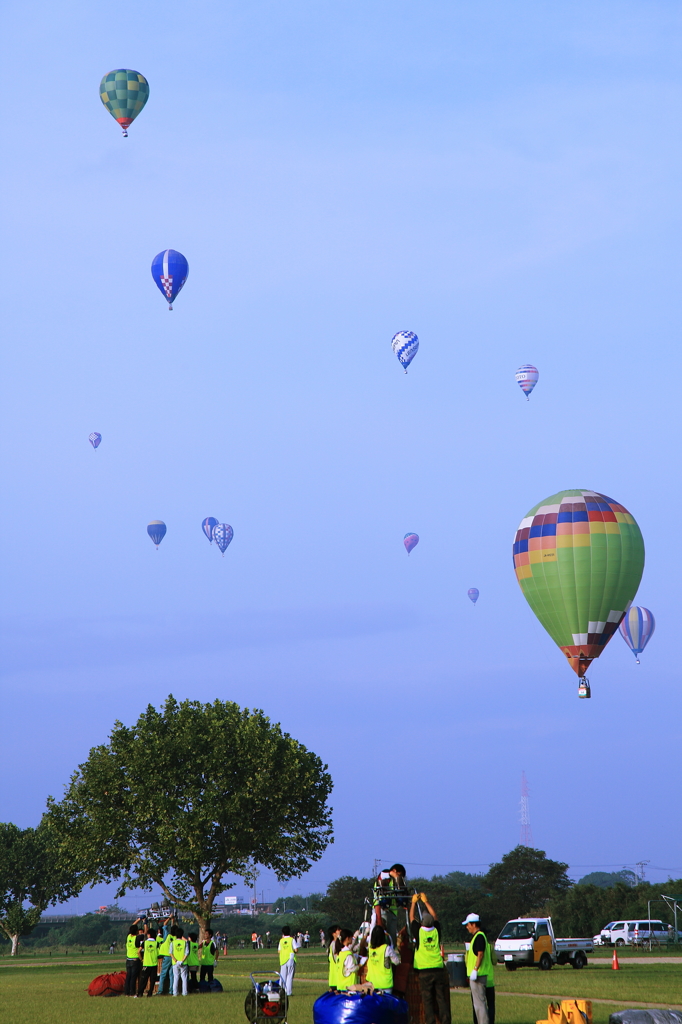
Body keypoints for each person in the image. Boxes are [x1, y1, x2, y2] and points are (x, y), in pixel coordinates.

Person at [410, 893, 451, 1024]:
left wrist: (413, 903)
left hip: (424, 970)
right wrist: (426, 902)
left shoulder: (419, 931)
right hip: (438, 968)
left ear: (422, 923)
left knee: (427, 1000)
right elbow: (435, 916)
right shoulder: (436, 931)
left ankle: (430, 1022)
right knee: (441, 998)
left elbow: (411, 918)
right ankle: (445, 1021)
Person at [463, 913, 494, 1024]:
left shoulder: (479, 936)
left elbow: (480, 954)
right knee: (479, 1004)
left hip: (478, 975)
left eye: (468, 924)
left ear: (474, 924)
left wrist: (475, 969)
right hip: (479, 974)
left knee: (479, 1005)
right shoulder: (479, 936)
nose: (467, 927)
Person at [361, 924, 401, 994]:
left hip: (372, 983)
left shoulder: (370, 948)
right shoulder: (386, 948)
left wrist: (365, 934)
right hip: (385, 984)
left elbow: (362, 944)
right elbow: (397, 962)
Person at [155, 915, 175, 995]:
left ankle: (160, 991)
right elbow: (172, 927)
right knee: (171, 975)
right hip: (173, 957)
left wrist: (169, 918)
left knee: (162, 975)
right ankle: (171, 991)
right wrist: (173, 920)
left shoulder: (166, 935)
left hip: (166, 957)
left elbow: (165, 924)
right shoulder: (175, 937)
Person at [278, 925, 300, 996]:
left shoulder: (281, 940)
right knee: (289, 976)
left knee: (282, 976)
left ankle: (281, 991)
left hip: (283, 959)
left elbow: (279, 951)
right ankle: (288, 992)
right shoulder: (292, 939)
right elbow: (296, 949)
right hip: (290, 959)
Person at [124, 919, 143, 996]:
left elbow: (132, 926)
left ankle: (126, 992)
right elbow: (146, 933)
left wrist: (139, 919)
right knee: (133, 977)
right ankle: (132, 992)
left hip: (128, 959)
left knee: (128, 976)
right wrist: (145, 922)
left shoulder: (129, 937)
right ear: (137, 932)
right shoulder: (137, 938)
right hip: (135, 960)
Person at [138, 928, 159, 997]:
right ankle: (150, 993)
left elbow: (138, 952)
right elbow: (159, 953)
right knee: (152, 980)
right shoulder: (156, 943)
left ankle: (140, 993)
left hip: (146, 964)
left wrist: (142, 959)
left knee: (144, 979)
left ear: (149, 935)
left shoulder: (145, 942)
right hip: (154, 964)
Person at [171, 926, 189, 996]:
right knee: (184, 978)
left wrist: (176, 960)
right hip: (183, 962)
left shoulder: (173, 943)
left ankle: (175, 993)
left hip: (175, 963)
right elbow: (186, 953)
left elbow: (170, 953)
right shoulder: (185, 943)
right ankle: (184, 993)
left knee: (176, 978)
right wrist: (182, 960)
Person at [327, 925, 342, 990]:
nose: (340, 931)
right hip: (336, 977)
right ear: (333, 934)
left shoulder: (333, 943)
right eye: (338, 930)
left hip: (334, 978)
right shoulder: (334, 944)